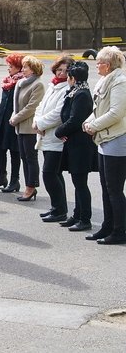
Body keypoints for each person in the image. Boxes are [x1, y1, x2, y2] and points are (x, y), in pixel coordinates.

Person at [83, 46, 126, 244]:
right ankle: (107, 226)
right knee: (106, 187)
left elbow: (116, 113)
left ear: (107, 66)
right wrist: (89, 121)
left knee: (114, 189)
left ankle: (119, 231)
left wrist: (94, 125)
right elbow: (99, 108)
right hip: (104, 139)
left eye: (98, 62)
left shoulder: (120, 82)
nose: (96, 66)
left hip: (117, 140)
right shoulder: (104, 81)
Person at [55, 62, 97, 232]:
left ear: (73, 78)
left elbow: (75, 120)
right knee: (77, 181)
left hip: (81, 146)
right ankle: (77, 214)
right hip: (74, 143)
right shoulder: (76, 92)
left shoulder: (81, 94)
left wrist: (59, 131)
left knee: (80, 182)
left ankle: (84, 218)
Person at [34, 56, 73, 222]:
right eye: (59, 69)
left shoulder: (67, 89)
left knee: (50, 174)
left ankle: (60, 210)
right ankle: (57, 207)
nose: (62, 73)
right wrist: (37, 122)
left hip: (56, 137)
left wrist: (41, 124)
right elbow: (41, 106)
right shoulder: (52, 85)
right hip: (44, 134)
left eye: (66, 70)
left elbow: (58, 114)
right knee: (55, 174)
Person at [10, 55, 45, 202]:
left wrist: (16, 118)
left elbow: (31, 107)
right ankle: (28, 185)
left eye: (26, 67)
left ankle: (31, 186)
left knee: (30, 158)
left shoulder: (38, 85)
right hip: (20, 127)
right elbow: (16, 104)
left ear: (34, 69)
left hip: (29, 127)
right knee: (24, 157)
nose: (23, 69)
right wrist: (14, 115)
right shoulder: (21, 83)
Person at [0, 53, 24, 192]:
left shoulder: (21, 82)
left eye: (11, 66)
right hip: (2, 118)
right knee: (0, 148)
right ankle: (1, 176)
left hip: (13, 119)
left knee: (14, 151)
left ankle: (14, 180)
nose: (8, 69)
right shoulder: (7, 81)